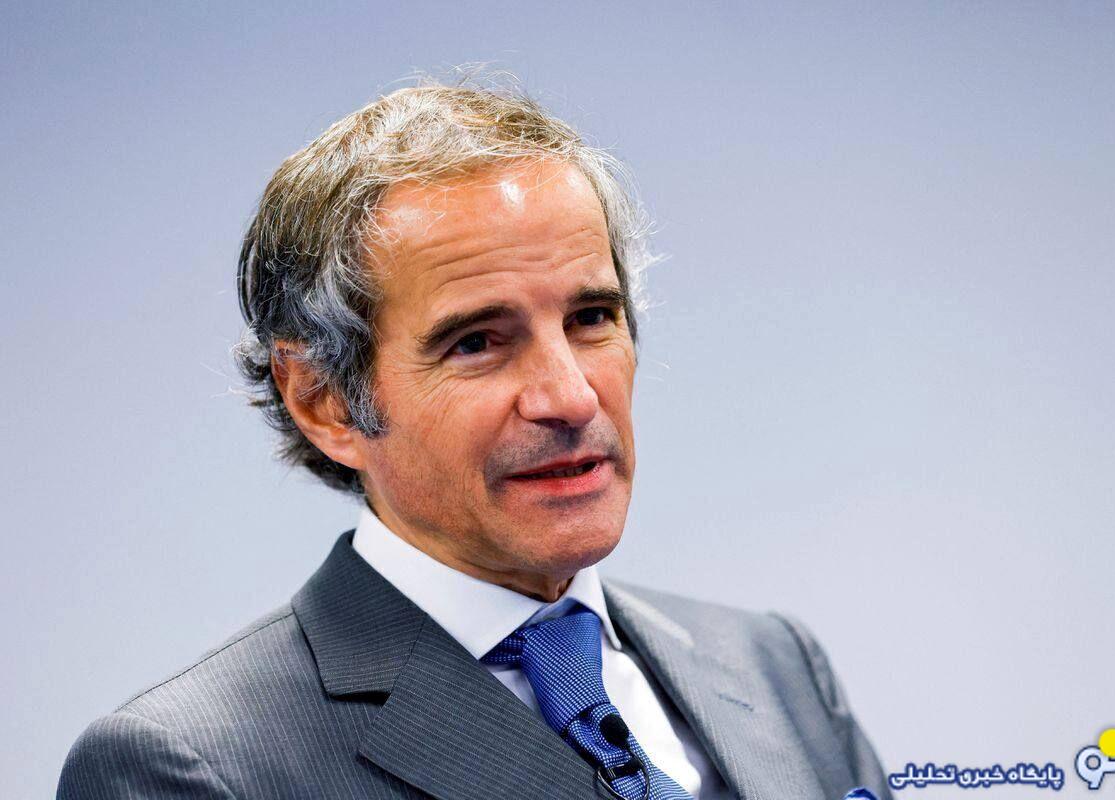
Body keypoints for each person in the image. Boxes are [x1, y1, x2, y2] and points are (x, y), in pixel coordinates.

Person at [57, 79, 892, 800]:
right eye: (477, 342)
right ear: (324, 402)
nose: (569, 396)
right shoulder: (193, 767)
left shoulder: (774, 666)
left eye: (591, 317)